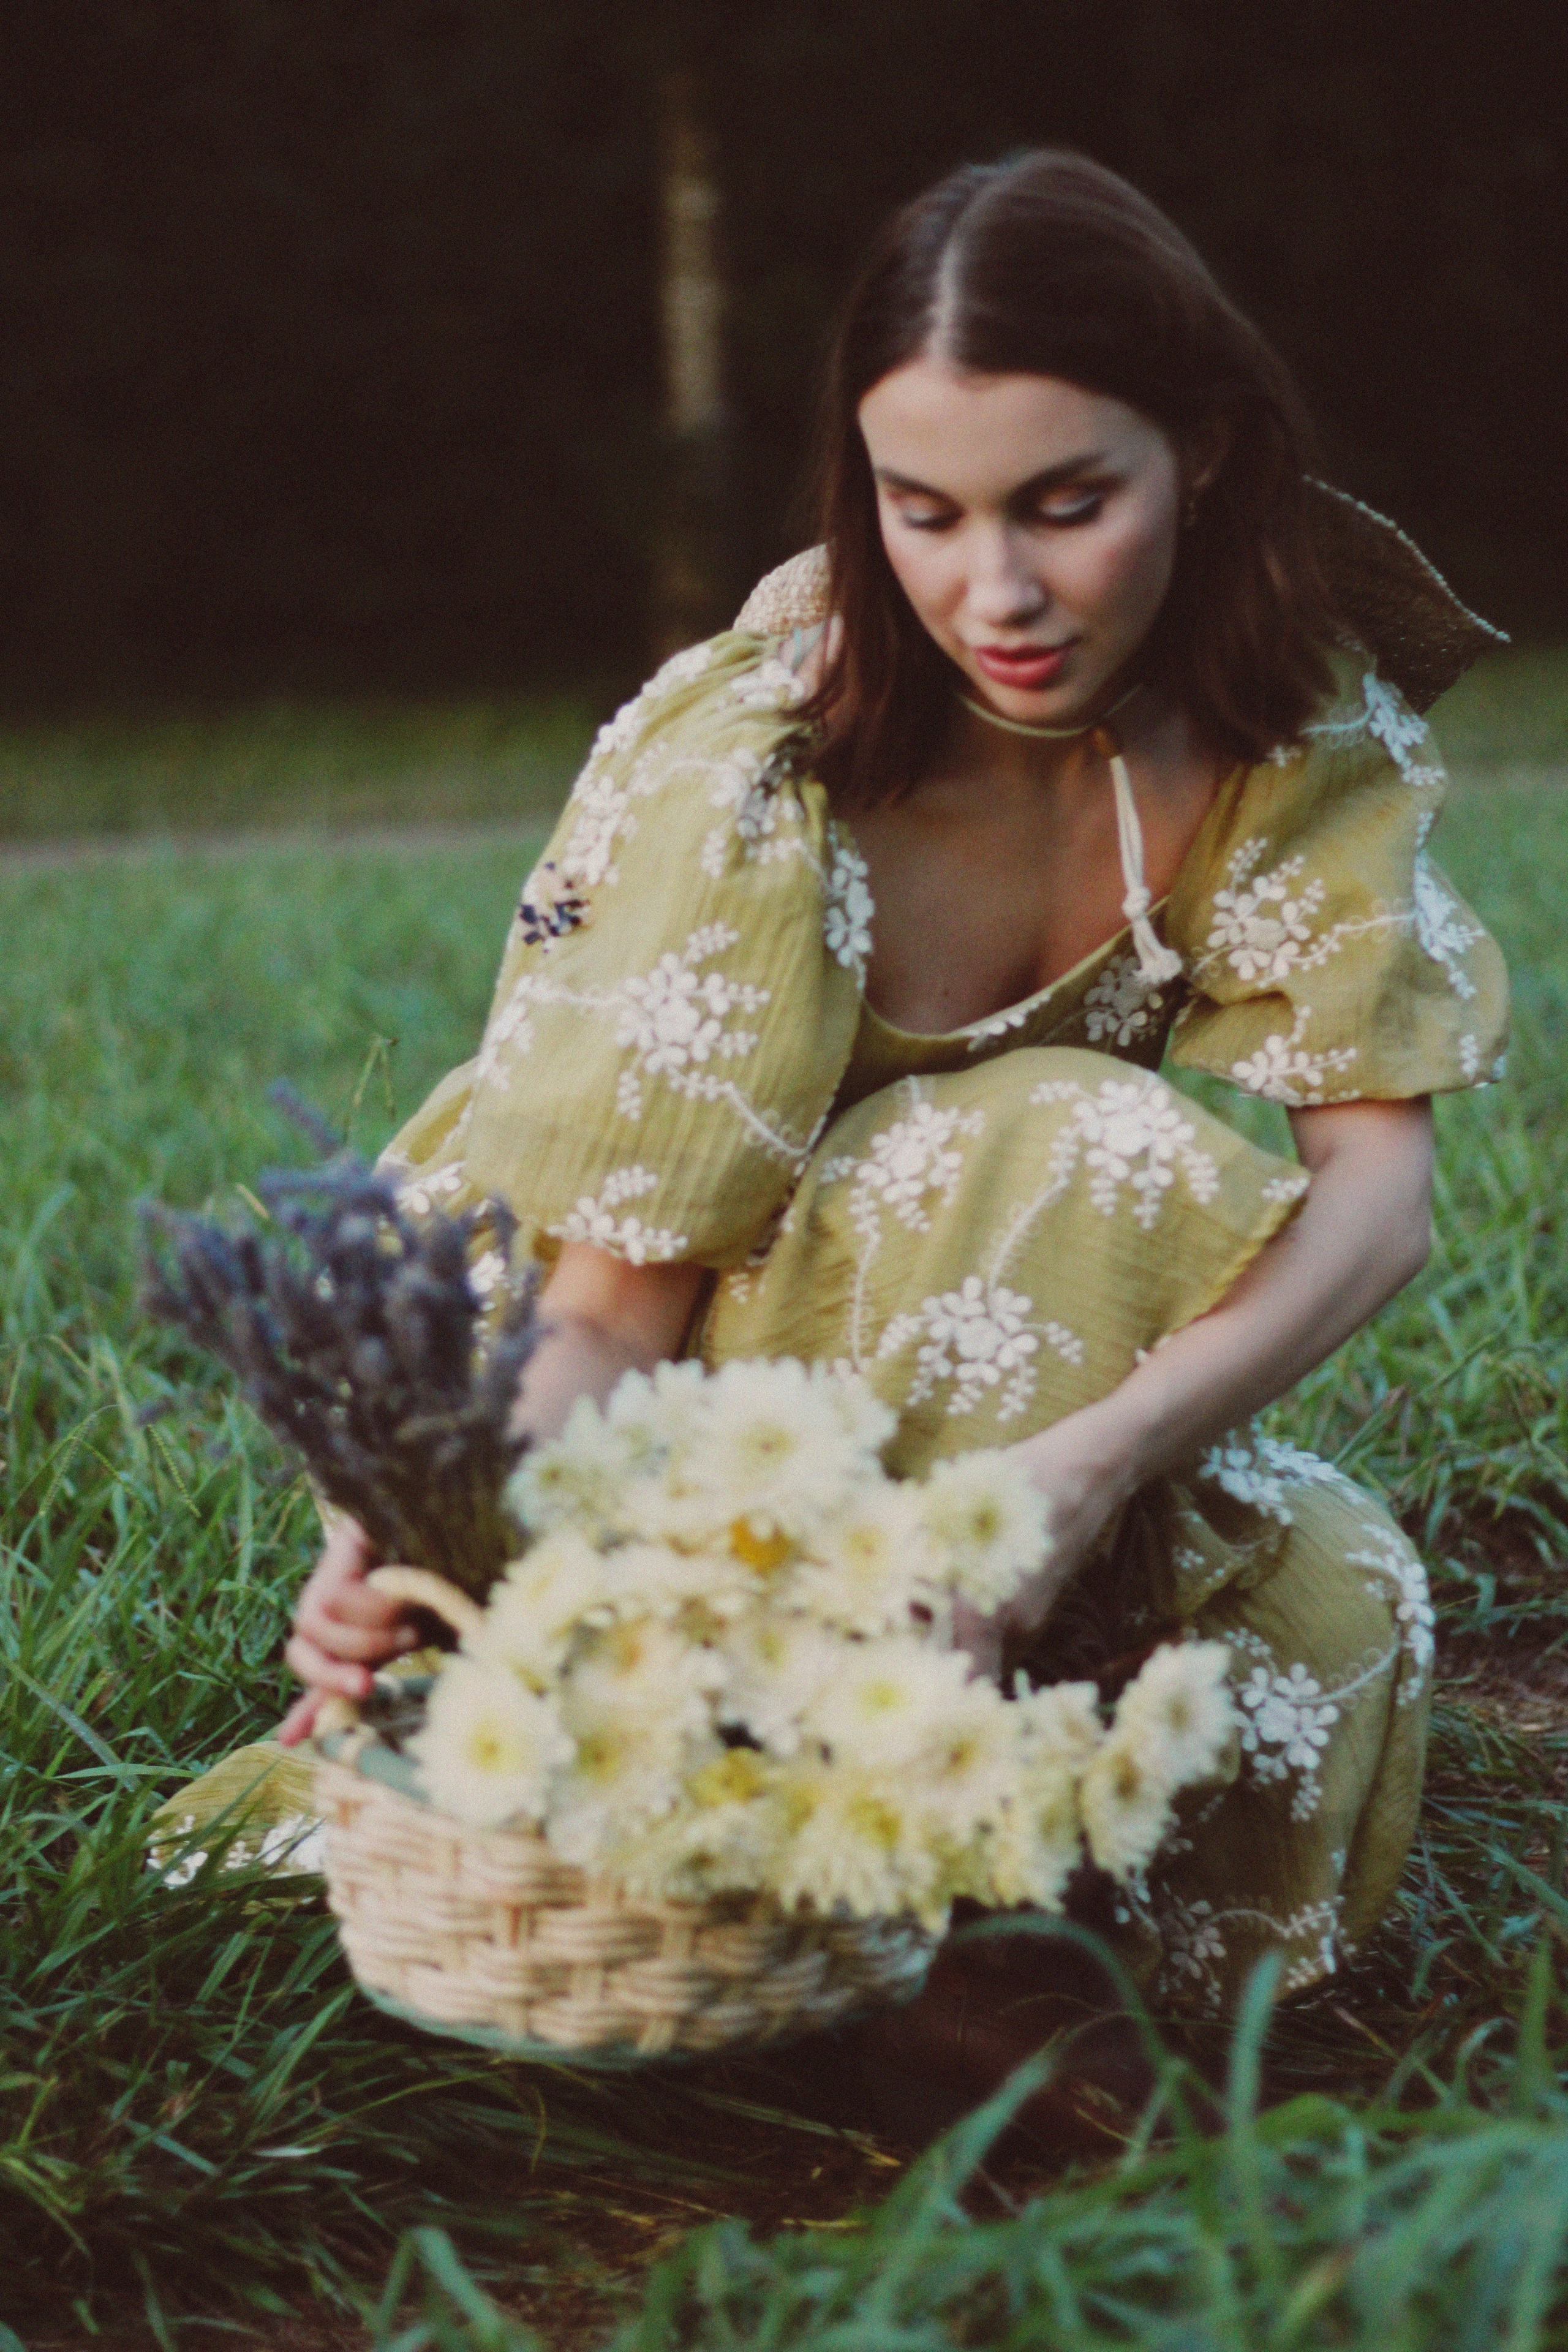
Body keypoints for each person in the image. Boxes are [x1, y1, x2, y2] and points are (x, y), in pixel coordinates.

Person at [172, 150, 1507, 2135]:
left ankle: (930, 1932)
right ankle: (924, 1916)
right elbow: (607, 1308)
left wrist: (1088, 1468)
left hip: (995, 1401)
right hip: (669, 1403)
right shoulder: (772, 755)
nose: (1000, 590)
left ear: (1208, 452)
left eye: (1071, 502)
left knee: (1335, 1591)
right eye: (927, 512)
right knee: (1076, 1145)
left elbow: (1378, 1205)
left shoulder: (1281, 724)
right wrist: (442, 1534)